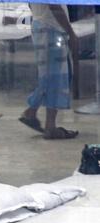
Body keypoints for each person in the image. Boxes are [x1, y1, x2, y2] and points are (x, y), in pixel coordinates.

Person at [19, 4, 79, 139]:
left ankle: (35, 114)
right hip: (50, 28)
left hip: (45, 26)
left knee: (51, 76)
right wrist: (71, 33)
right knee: (54, 78)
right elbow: (55, 6)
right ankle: (48, 125)